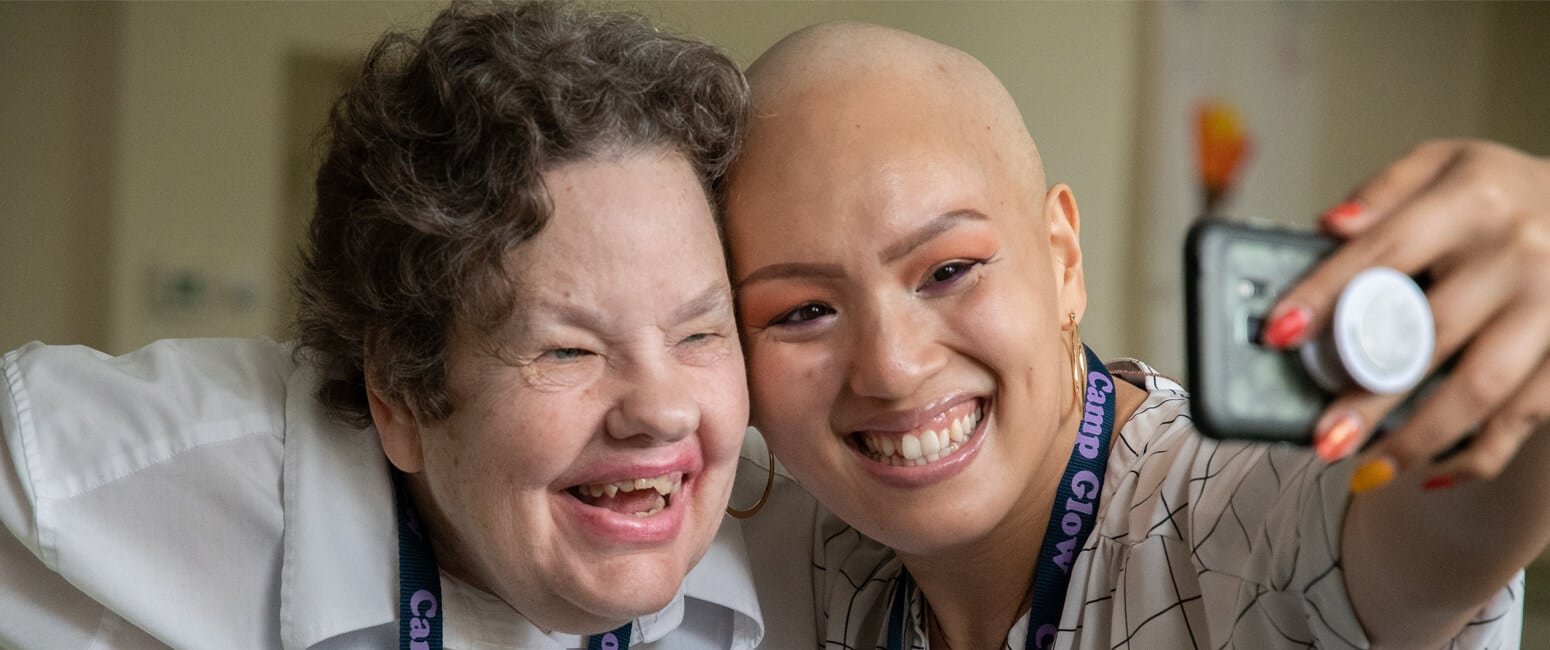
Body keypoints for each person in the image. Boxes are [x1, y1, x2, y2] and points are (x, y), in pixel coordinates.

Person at [0, 3, 814, 648]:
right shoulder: (138, 473)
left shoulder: (811, 540)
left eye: (699, 335)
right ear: (401, 392)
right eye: (568, 350)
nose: (663, 411)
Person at [722, 21, 1550, 649]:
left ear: (1063, 260)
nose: (893, 368)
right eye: (802, 312)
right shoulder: (811, 563)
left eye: (949, 270)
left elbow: (1435, 540)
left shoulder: (1216, 514)